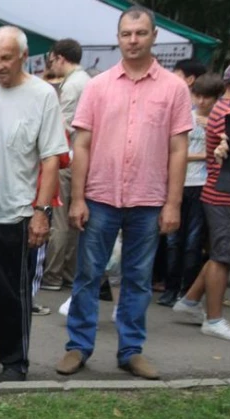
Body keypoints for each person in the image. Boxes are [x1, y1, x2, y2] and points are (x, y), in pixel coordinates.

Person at [55, 6, 192, 379]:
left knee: (138, 278)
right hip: (100, 197)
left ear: (153, 36)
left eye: (141, 33)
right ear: (118, 38)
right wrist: (78, 198)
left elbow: (179, 149)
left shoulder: (174, 88)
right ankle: (78, 347)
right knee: (87, 276)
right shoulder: (98, 87)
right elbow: (81, 144)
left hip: (149, 200)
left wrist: (173, 203)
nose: (133, 40)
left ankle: (130, 350)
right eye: (127, 34)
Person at [0, 26, 68, 382]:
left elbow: (52, 157)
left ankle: (13, 363)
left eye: (6, 58)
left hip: (17, 212)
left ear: (24, 57)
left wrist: (41, 212)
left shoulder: (43, 95)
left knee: (12, 295)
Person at [172, 58, 230, 342]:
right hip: (229, 197)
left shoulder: (228, 110)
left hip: (224, 195)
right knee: (223, 259)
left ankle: (189, 302)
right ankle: (214, 319)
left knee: (222, 255)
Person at [159, 74, 224, 307]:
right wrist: (202, 155)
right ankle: (170, 288)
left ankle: (186, 290)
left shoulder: (220, 121)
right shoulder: (185, 117)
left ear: (217, 99)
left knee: (193, 242)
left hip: (203, 185)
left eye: (208, 97)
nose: (203, 102)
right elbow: (172, 150)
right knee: (173, 241)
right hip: (180, 183)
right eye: (198, 96)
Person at [41, 38, 91, 293]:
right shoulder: (89, 81)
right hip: (82, 158)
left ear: (60, 58)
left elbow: (64, 125)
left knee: (59, 218)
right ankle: (69, 271)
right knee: (74, 221)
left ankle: (52, 274)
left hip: (67, 156)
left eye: (52, 61)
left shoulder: (72, 86)